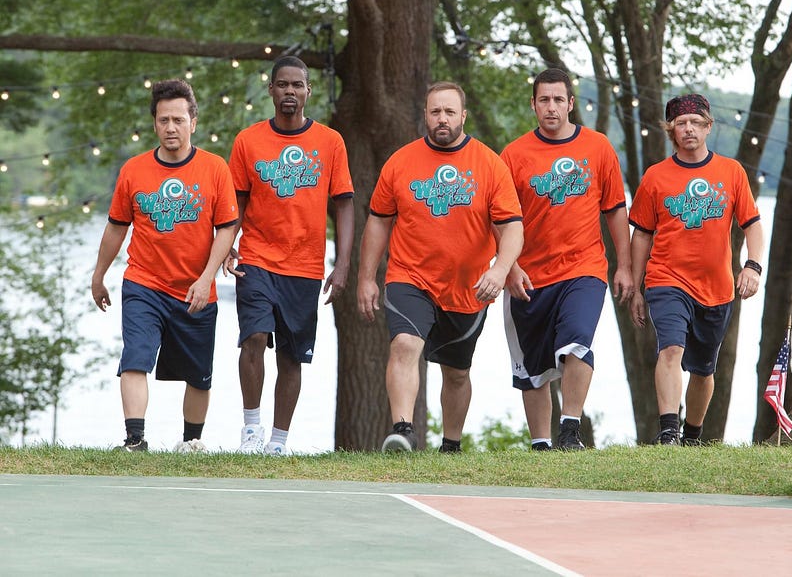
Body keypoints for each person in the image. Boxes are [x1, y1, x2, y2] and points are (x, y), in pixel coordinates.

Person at [357, 81, 524, 453]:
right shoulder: (401, 162)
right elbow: (379, 220)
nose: (442, 119)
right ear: (426, 115)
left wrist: (500, 269)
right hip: (409, 276)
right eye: (435, 112)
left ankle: (451, 445)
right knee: (404, 344)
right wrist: (366, 277)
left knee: (457, 371)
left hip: (468, 286)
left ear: (463, 116)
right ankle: (403, 430)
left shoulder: (489, 164)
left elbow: (512, 225)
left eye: (450, 111)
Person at [90, 79, 238, 453]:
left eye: (178, 119)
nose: (171, 128)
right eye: (163, 120)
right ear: (154, 124)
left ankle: (190, 444)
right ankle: (135, 439)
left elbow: (228, 228)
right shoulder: (134, 170)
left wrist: (206, 279)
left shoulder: (215, 169)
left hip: (195, 287)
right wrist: (99, 275)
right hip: (144, 284)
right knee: (134, 359)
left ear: (193, 122)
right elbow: (116, 227)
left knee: (199, 376)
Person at [224, 56, 354, 456]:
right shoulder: (248, 141)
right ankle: (251, 429)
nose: (289, 93)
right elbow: (235, 202)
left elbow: (345, 203)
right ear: (271, 91)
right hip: (258, 258)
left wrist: (343, 263)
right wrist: (226, 242)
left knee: (291, 357)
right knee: (254, 337)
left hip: (306, 264)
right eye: (282, 85)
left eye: (297, 85)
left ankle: (278, 441)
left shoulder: (330, 142)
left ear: (308, 91)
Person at [499, 68, 633, 451]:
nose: (552, 107)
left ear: (571, 104)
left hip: (584, 268)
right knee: (533, 373)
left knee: (577, 344)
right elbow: (499, 219)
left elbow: (615, 210)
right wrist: (509, 267)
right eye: (544, 100)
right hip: (529, 277)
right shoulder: (514, 155)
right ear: (534, 104)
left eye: (559, 100)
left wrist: (623, 266)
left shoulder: (598, 148)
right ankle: (541, 447)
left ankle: (570, 429)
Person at [628, 93, 764, 445]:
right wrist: (637, 287)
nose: (688, 129)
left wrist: (752, 266)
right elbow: (641, 235)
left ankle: (692, 434)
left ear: (708, 127)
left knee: (703, 369)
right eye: (681, 124)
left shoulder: (731, 172)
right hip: (667, 280)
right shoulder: (656, 177)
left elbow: (752, 225)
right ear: (671, 130)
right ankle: (669, 431)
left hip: (717, 287)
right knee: (670, 349)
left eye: (695, 123)